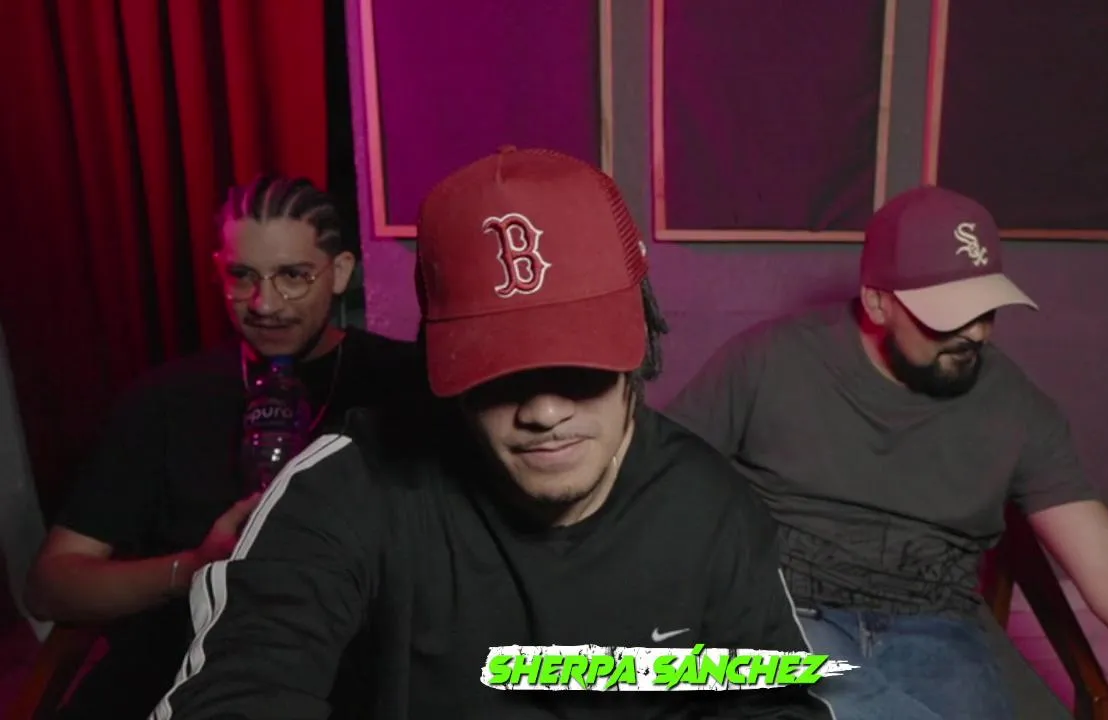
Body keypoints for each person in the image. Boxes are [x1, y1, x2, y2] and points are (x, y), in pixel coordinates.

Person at [150, 147, 834, 720]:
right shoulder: (348, 487)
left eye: (580, 365)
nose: (544, 410)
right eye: (498, 371)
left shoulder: (709, 509)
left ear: (641, 342)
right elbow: (245, 683)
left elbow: (773, 706)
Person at [665, 185, 1108, 720]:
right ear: (878, 302)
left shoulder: (1016, 407)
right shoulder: (770, 361)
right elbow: (656, 485)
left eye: (986, 308)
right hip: (789, 608)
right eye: (948, 314)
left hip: (934, 624)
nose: (976, 332)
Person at [24, 174, 423, 720]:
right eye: (242, 276)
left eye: (293, 276)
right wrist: (193, 568)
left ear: (340, 273)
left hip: (345, 681)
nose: (265, 303)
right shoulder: (165, 399)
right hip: (171, 675)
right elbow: (50, 587)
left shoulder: (403, 383)